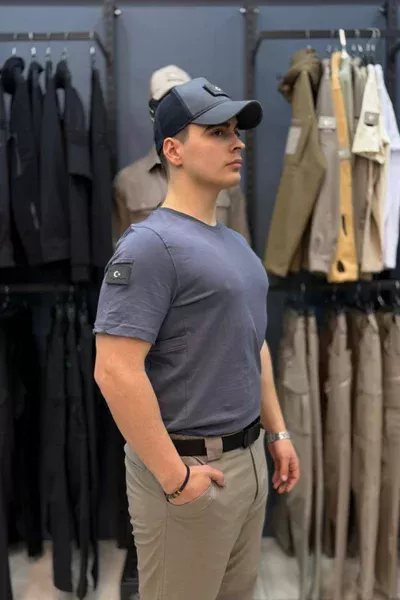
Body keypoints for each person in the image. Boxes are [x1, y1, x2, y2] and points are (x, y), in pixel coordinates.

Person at [94, 77, 300, 600]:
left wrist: (277, 432)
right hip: (190, 471)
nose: (238, 143)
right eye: (217, 132)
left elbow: (253, 342)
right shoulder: (149, 245)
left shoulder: (235, 244)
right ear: (173, 150)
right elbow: (114, 370)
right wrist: (175, 479)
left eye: (237, 131)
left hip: (248, 463)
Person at [113, 65, 252, 243]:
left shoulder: (223, 176)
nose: (238, 144)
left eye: (184, 102)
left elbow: (240, 243)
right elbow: (122, 246)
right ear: (153, 111)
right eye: (166, 104)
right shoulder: (129, 181)